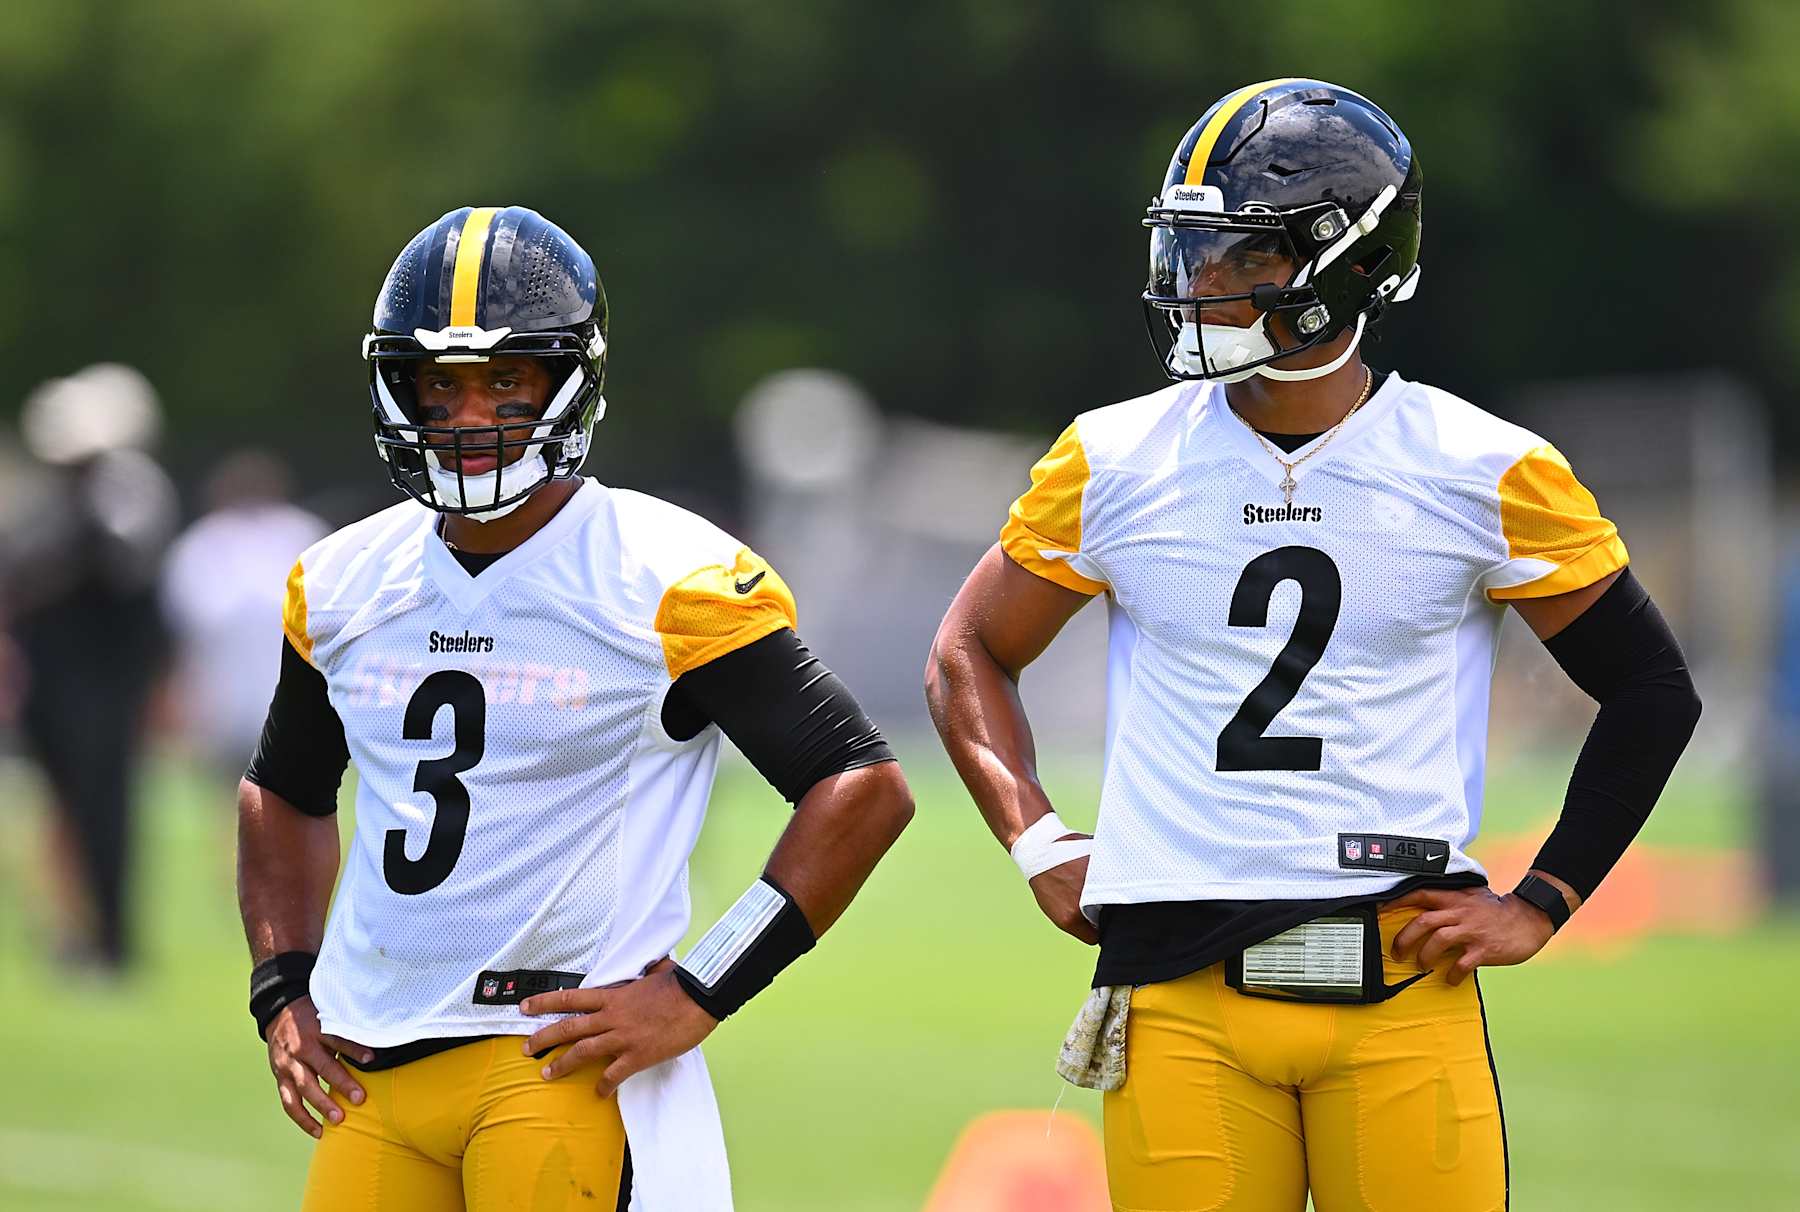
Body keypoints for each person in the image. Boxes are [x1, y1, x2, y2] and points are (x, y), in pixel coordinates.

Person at [925, 79, 1701, 1212]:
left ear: (1344, 269)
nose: (1196, 285)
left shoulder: (1481, 465)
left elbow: (1650, 689)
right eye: (1190, 251)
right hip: (1181, 985)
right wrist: (1036, 839)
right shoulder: (1113, 456)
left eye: (1236, 258)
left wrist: (1545, 897)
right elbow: (968, 653)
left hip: (1400, 971)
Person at [237, 205, 913, 1212]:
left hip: (552, 1062)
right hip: (370, 1068)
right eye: (440, 383)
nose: (469, 415)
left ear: (569, 380)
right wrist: (282, 989)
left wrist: (699, 988)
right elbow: (281, 792)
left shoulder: (667, 577)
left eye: (505, 379)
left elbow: (861, 786)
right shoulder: (340, 581)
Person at [2, 363, 177, 972]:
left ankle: (108, 938)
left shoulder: (123, 495)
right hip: (56, 685)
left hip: (102, 685)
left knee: (103, 810)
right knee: (63, 810)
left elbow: (129, 572)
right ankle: (74, 931)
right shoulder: (50, 505)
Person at [161, 450, 327, 780]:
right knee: (231, 787)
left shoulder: (301, 533)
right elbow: (184, 627)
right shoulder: (202, 543)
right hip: (221, 691)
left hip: (290, 685)